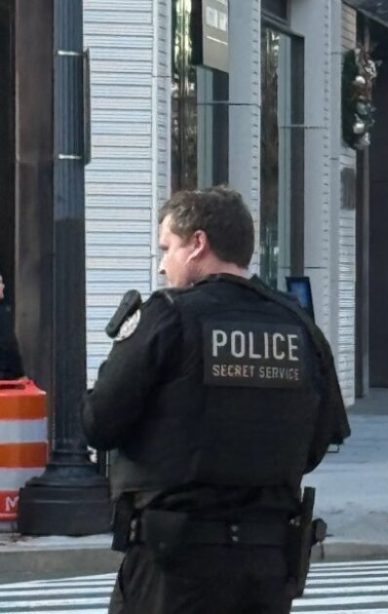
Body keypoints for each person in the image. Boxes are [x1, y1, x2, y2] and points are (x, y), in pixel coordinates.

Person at [82, 187, 351, 614]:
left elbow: (99, 422)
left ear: (198, 244)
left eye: (167, 248)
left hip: (175, 561)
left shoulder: (169, 315)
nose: (162, 264)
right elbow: (320, 439)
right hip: (266, 563)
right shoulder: (298, 324)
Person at [0, 272, 25, 380]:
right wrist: (19, 373)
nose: (3, 286)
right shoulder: (2, 314)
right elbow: (8, 344)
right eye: (0, 282)